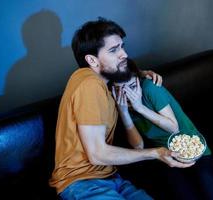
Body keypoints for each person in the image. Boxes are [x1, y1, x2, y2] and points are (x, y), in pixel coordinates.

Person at [49, 18, 194, 200]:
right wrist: (156, 153)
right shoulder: (89, 85)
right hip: (81, 183)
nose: (124, 54)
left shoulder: (102, 84)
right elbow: (97, 154)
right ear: (92, 60)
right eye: (113, 50)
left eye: (122, 46)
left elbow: (121, 74)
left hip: (111, 177)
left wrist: (139, 73)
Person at [111, 59, 213, 200]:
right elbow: (138, 146)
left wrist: (140, 108)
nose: (129, 96)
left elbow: (173, 128)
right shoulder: (121, 104)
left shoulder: (150, 88)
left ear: (139, 81)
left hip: (192, 147)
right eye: (120, 90)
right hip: (166, 155)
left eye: (132, 86)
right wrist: (124, 112)